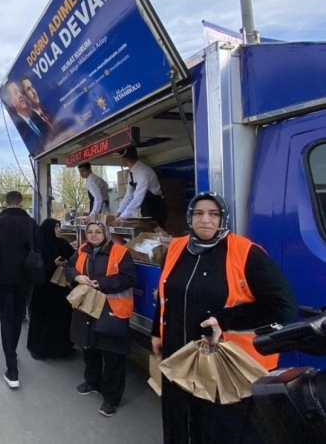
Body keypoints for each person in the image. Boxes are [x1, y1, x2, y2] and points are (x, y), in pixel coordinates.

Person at [152, 192, 297, 443]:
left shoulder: (246, 252)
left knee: (215, 426)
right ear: (189, 217)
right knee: (177, 418)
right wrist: (157, 331)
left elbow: (283, 306)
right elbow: (165, 293)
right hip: (177, 354)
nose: (205, 220)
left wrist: (226, 320)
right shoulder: (176, 247)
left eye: (214, 214)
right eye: (198, 213)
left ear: (223, 218)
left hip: (221, 361)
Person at [65, 221, 136, 417]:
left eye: (98, 232)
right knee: (89, 346)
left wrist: (101, 283)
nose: (94, 235)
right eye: (90, 232)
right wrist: (77, 277)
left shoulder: (120, 252)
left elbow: (129, 278)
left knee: (113, 355)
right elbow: (69, 267)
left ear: (105, 234)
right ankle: (92, 382)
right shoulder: (82, 250)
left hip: (111, 309)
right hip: (87, 307)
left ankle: (111, 399)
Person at [0, 190, 38, 388]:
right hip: (25, 278)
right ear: (21, 202)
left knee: (6, 319)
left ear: (6, 203)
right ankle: (12, 353)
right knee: (17, 317)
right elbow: (39, 247)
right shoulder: (31, 223)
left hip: (4, 278)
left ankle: (12, 368)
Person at [27, 218, 76, 360]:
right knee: (42, 319)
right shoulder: (38, 245)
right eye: (56, 227)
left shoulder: (63, 243)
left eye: (59, 226)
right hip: (43, 289)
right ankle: (39, 349)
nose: (59, 230)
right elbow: (35, 265)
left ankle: (61, 349)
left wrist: (66, 262)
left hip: (60, 289)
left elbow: (73, 258)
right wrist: (52, 264)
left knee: (60, 319)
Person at [112, 147, 167, 228]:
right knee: (148, 230)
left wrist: (123, 216)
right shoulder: (132, 173)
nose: (120, 160)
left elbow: (138, 198)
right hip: (146, 207)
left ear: (125, 158)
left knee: (157, 231)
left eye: (120, 157)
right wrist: (119, 212)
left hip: (156, 208)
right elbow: (129, 195)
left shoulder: (143, 172)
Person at [4, 81, 48, 154]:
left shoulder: (37, 117)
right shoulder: (21, 128)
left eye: (19, 91)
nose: (20, 95)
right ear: (12, 102)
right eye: (15, 93)